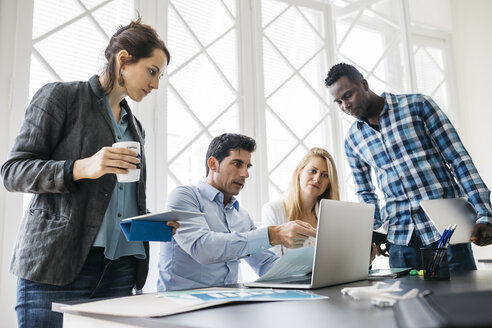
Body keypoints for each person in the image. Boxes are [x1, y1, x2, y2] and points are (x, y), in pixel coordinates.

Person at [1, 17, 178, 328]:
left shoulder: (136, 129)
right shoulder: (61, 97)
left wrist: (155, 225)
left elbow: (118, 204)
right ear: (123, 60)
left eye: (160, 76)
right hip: (57, 265)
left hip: (121, 270)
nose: (156, 85)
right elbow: (13, 172)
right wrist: (82, 167)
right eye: (152, 71)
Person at [324, 62, 492, 271]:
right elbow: (365, 193)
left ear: (364, 84)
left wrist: (484, 214)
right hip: (401, 242)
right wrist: (376, 234)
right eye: (338, 102)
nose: (345, 105)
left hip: (446, 233)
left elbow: (458, 159)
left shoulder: (418, 106)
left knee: (462, 303)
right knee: (407, 304)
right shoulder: (353, 140)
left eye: (348, 95)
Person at [157, 133, 317, 291]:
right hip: (181, 305)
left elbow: (265, 264)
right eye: (237, 164)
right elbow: (203, 249)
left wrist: (309, 269)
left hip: (226, 304)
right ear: (213, 164)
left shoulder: (242, 215)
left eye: (247, 166)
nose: (245, 174)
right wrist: (274, 234)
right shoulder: (185, 196)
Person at [262, 147, 340, 256]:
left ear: (329, 184)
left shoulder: (332, 217)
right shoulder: (273, 210)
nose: (317, 179)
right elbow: (272, 264)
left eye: (325, 175)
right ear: (299, 172)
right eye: (313, 171)